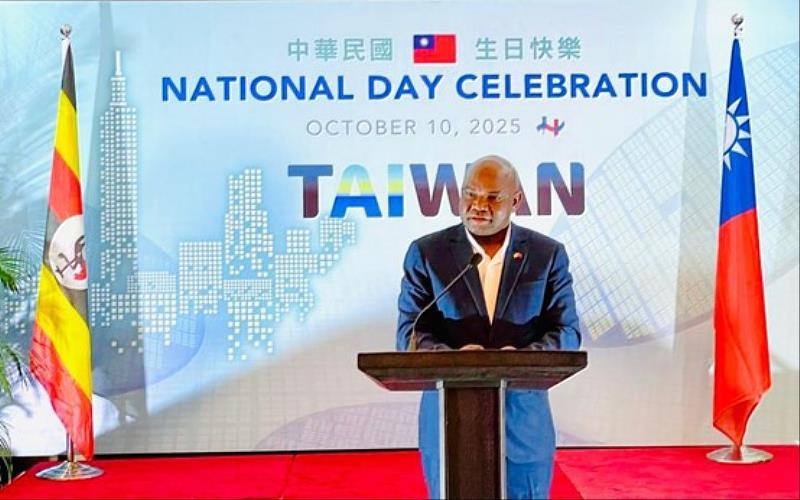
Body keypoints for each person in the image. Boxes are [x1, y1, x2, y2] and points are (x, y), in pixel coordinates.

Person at [396, 155, 581, 499]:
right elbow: (411, 332)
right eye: (470, 194)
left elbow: (567, 332)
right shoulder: (427, 253)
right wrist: (454, 359)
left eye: (493, 197)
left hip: (524, 424)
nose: (478, 205)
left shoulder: (547, 254)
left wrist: (521, 360)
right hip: (449, 423)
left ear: (516, 200)